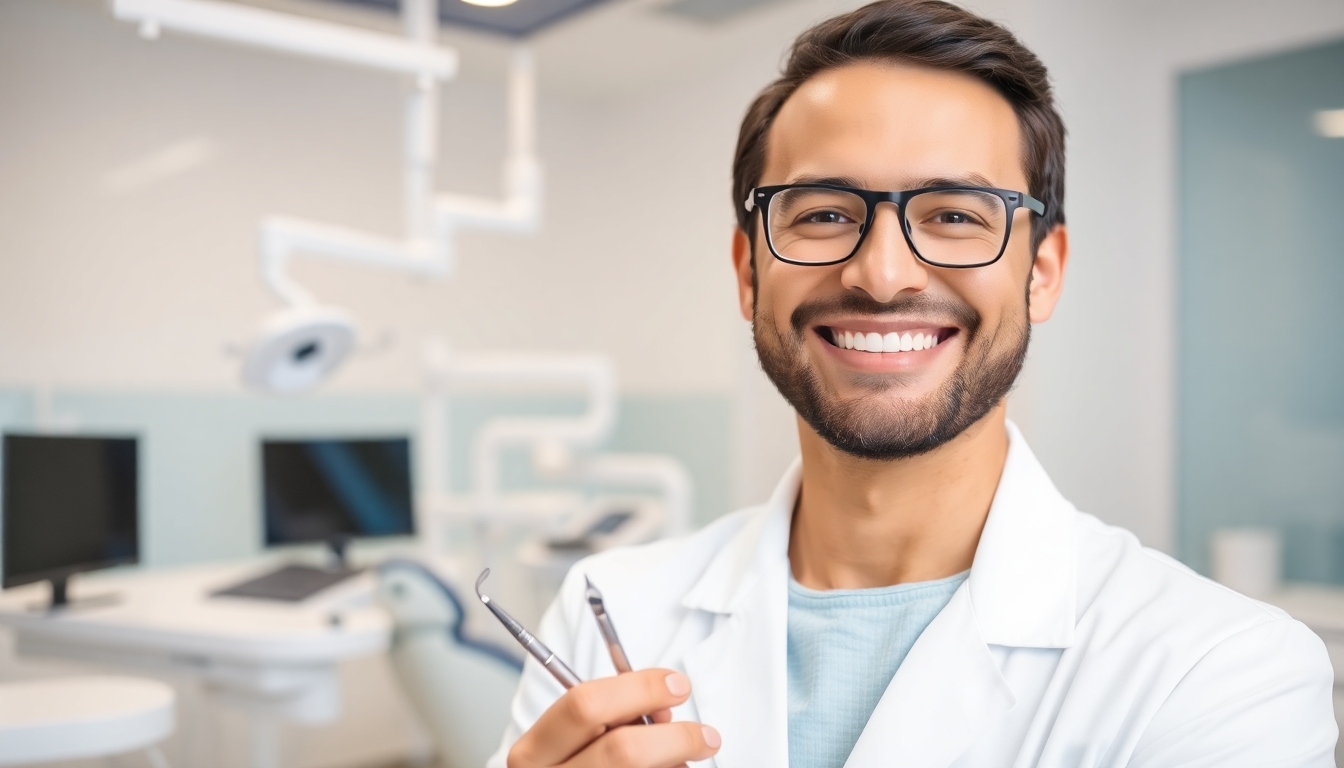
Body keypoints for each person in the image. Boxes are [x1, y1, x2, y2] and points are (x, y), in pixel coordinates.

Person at [488, 1, 1338, 766]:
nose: (883, 273)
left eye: (956, 216)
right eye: (822, 213)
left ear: (1042, 272)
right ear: (749, 270)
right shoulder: (608, 612)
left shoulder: (1221, 671)